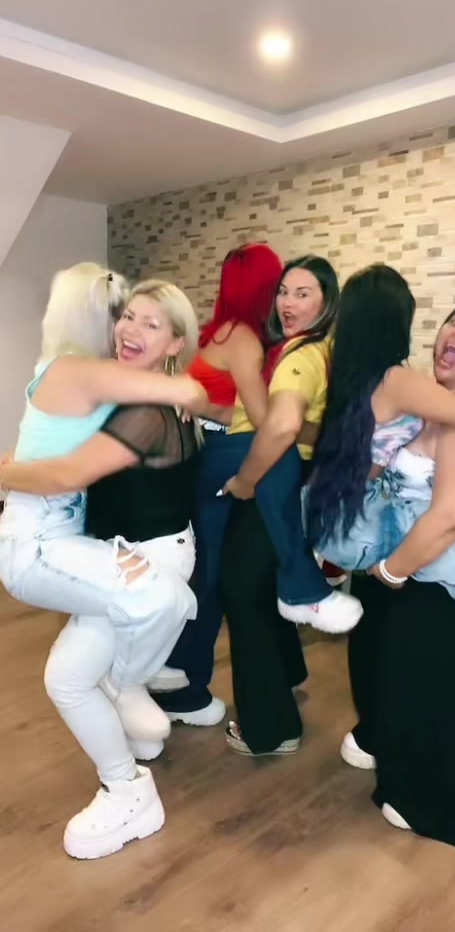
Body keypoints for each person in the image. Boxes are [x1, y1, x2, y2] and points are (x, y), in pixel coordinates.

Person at [0, 265, 208, 859]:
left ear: (174, 341)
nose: (129, 328)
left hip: (118, 550)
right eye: (126, 316)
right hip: (86, 546)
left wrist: (7, 472)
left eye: (150, 323)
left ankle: (127, 769)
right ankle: (131, 706)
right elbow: (184, 393)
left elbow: (67, 473)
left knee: (70, 677)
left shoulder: (134, 399)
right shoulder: (108, 383)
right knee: (79, 669)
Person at [334, 295, 455, 851]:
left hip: (443, 580)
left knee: (423, 693)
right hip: (414, 567)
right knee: (409, 684)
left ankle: (437, 806)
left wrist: (390, 572)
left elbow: (448, 516)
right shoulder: (438, 406)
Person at [308, 282, 455, 678]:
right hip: (401, 559)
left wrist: (391, 570)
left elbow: (450, 515)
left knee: (409, 689)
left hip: (424, 577)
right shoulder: (425, 400)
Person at [218, 255, 355, 756]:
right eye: (283, 291)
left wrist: (244, 481)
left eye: (303, 293)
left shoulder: (300, 357)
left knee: (241, 595)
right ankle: (288, 675)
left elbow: (280, 426)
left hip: (269, 481)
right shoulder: (317, 350)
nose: (288, 303)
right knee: (263, 590)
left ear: (327, 301)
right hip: (292, 483)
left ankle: (270, 729)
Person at [150, 244, 283, 710]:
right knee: (209, 580)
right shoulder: (243, 339)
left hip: (208, 457)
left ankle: (176, 677)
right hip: (229, 460)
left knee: (206, 573)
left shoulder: (216, 333)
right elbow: (261, 420)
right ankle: (186, 687)